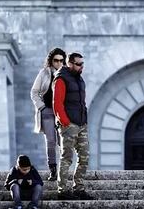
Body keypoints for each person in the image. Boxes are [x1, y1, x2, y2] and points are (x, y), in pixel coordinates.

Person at [52, 52, 91, 200]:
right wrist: (65, 122)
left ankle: (79, 188)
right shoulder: (61, 79)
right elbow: (57, 103)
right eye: (79, 64)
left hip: (81, 124)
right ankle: (62, 190)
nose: (82, 67)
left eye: (82, 64)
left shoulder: (79, 80)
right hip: (69, 124)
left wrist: (84, 121)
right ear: (70, 64)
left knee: (85, 156)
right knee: (67, 157)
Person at [30, 48, 66, 181]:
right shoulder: (44, 73)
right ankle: (53, 171)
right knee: (51, 141)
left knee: (64, 142)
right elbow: (34, 92)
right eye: (56, 60)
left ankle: (64, 170)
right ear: (51, 61)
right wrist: (42, 107)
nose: (58, 63)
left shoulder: (66, 74)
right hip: (48, 112)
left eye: (61, 61)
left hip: (62, 113)